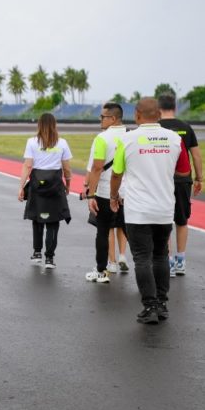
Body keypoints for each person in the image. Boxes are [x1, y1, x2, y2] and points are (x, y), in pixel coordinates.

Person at [110, 98, 191, 324]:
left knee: (142, 258)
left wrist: (114, 196)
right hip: (164, 207)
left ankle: (150, 305)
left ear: (137, 115)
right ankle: (162, 304)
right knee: (161, 255)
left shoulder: (127, 139)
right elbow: (184, 172)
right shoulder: (175, 139)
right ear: (159, 115)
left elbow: (116, 174)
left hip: (138, 210)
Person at [17, 113, 72, 269]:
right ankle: (49, 258)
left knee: (37, 219)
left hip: (37, 184)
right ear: (54, 125)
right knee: (53, 222)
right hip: (55, 185)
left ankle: (37, 252)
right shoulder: (62, 143)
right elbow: (67, 168)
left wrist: (21, 186)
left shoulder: (32, 142)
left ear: (39, 125)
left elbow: (28, 165)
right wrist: (68, 184)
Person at [158, 93, 204, 277]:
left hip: (162, 180)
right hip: (183, 181)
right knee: (182, 220)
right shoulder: (186, 127)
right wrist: (199, 178)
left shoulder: (156, 127)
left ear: (158, 109)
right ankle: (181, 260)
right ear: (175, 108)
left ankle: (168, 261)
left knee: (164, 220)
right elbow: (196, 155)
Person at [82, 103, 128, 284]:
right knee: (135, 233)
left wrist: (91, 194)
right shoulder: (132, 135)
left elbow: (96, 167)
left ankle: (102, 271)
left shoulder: (102, 138)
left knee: (102, 231)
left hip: (105, 192)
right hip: (129, 192)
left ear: (113, 118)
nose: (100, 120)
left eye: (103, 117)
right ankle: (149, 271)